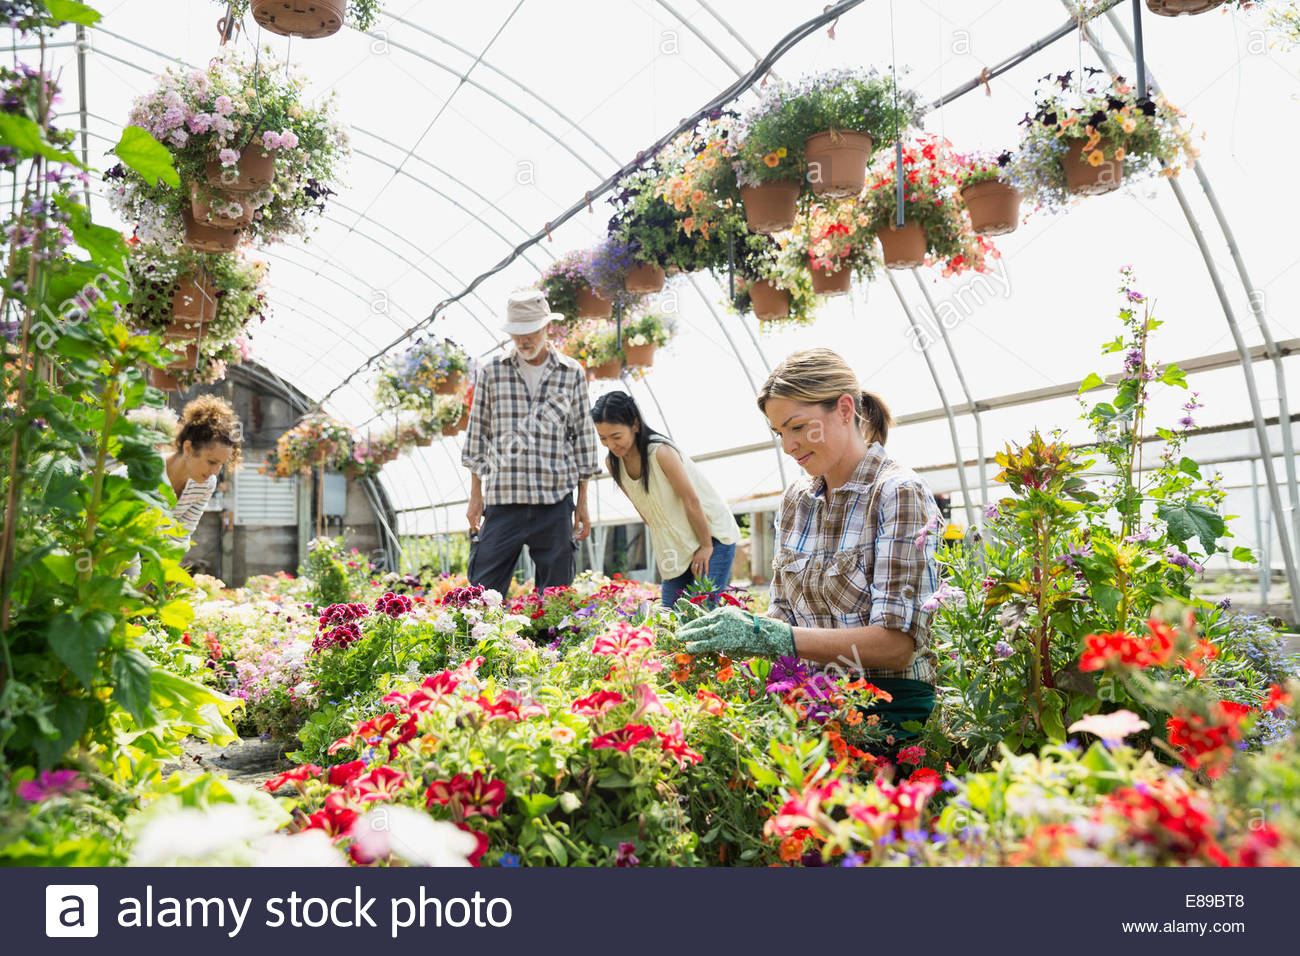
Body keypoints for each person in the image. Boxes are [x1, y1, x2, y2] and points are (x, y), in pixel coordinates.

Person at [678, 348, 943, 746]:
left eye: (798, 427)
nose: (788, 445)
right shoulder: (797, 499)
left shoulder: (897, 493)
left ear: (844, 409)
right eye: (779, 432)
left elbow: (896, 645)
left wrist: (777, 638)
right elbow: (783, 610)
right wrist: (742, 650)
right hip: (812, 700)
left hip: (887, 711)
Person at [462, 289, 601, 594]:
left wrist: (583, 503)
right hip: (503, 499)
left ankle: (549, 643)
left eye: (531, 332)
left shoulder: (571, 373)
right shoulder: (491, 372)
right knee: (482, 592)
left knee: (555, 596)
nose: (524, 340)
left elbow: (584, 439)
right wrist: (475, 494)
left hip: (554, 502)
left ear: (546, 327)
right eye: (517, 333)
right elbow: (477, 434)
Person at [592, 391, 740, 607]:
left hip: (712, 536)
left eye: (616, 436)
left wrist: (706, 546)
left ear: (634, 425)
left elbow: (691, 500)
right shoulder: (613, 462)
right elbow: (644, 509)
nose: (611, 445)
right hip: (676, 545)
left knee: (701, 612)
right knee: (670, 615)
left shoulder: (660, 452)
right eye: (603, 439)